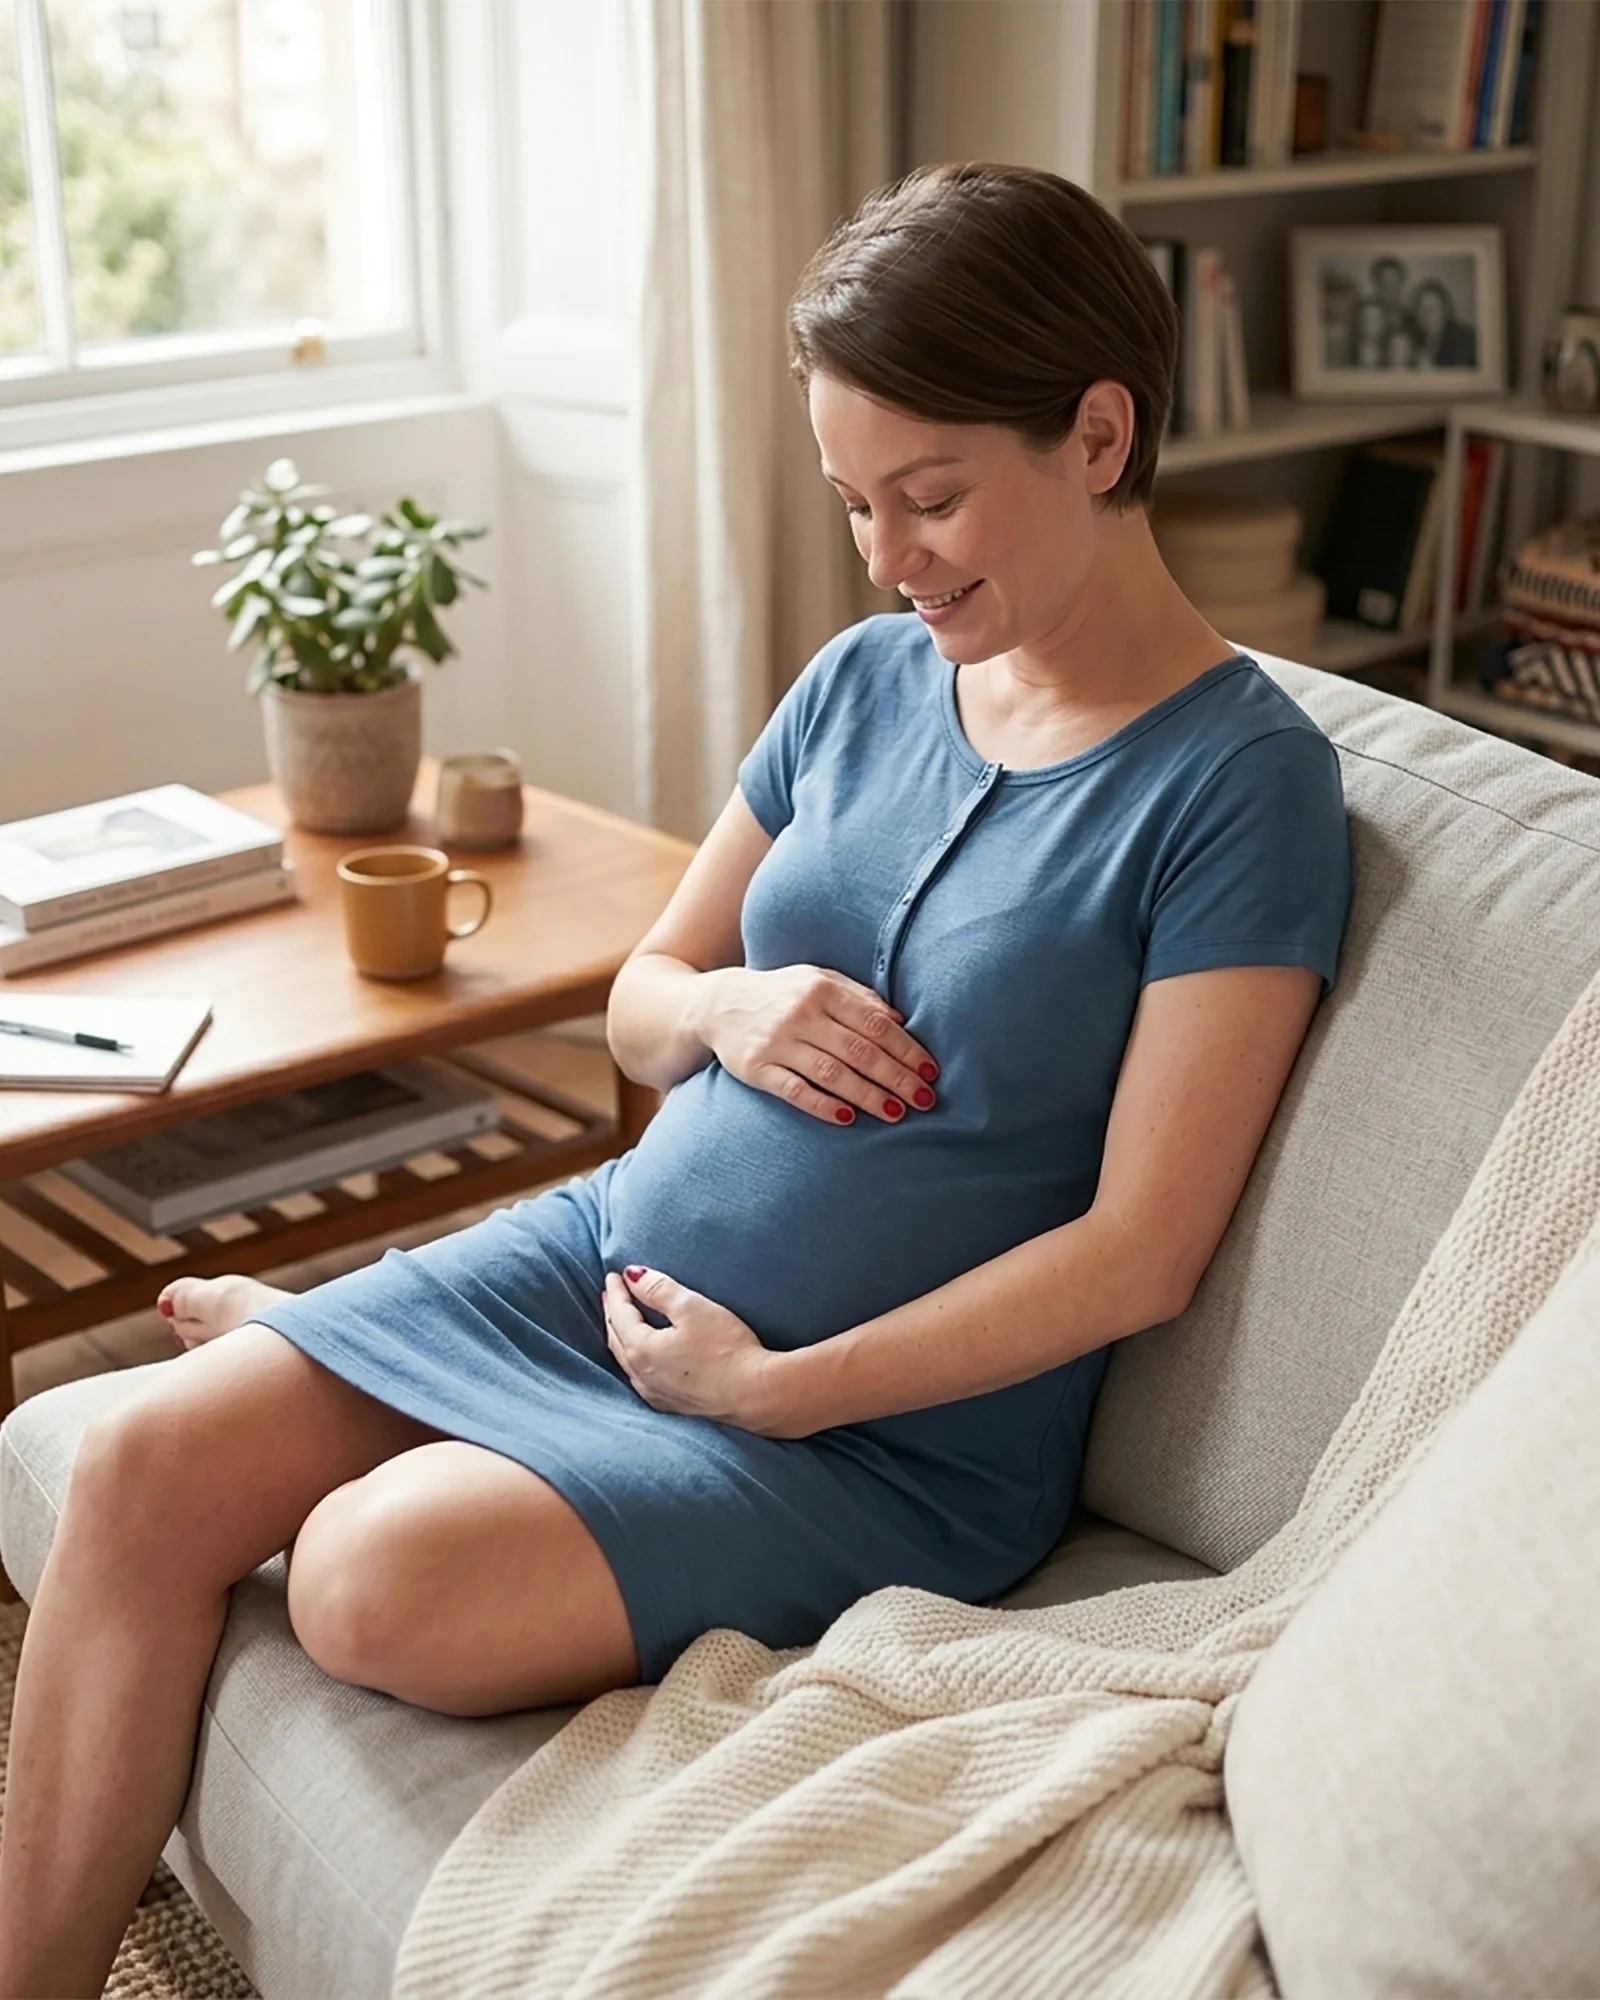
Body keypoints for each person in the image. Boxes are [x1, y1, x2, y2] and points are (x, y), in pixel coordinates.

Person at [0, 161, 1352, 1999]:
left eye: (933, 496)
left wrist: (782, 1388)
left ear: (1100, 434)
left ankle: (342, 1357)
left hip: (877, 1441)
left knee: (362, 1583)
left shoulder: (1234, 787)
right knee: (145, 1462)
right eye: (856, 502)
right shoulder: (865, 679)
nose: (888, 558)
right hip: (606, 1260)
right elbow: (638, 998)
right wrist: (725, 1015)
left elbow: (1140, 1253)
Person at [1411, 278, 1477, 368]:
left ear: (1445, 309)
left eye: (1433, 307)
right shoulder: (1415, 338)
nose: (1427, 314)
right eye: (1422, 308)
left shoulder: (1462, 337)